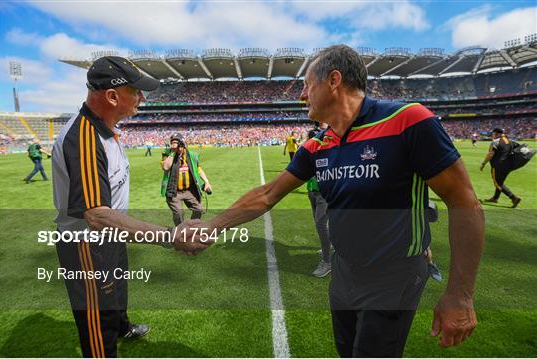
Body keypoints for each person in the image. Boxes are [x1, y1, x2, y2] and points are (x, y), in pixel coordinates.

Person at [182, 45, 484, 357]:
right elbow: (268, 194)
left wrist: (460, 295)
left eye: (306, 85)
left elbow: (465, 203)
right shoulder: (317, 145)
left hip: (394, 276)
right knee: (346, 351)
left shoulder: (408, 121)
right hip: (344, 272)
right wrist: (213, 226)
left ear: (334, 80)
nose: (302, 95)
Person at [51, 56, 212, 358]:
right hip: (88, 245)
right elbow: (96, 214)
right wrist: (168, 236)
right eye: (135, 91)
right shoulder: (84, 137)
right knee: (98, 319)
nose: (142, 97)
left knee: (117, 290)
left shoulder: (105, 128)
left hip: (110, 237)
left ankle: (121, 325)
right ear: (112, 96)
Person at [161, 133, 212, 226]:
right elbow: (165, 167)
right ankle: (180, 231)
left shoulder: (191, 155)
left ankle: (190, 227)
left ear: (183, 143)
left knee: (199, 210)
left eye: (177, 143)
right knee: (179, 214)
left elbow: (198, 169)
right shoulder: (168, 154)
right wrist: (173, 152)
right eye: (172, 143)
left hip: (189, 190)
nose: (175, 146)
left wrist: (206, 182)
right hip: (174, 192)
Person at [306, 127, 332, 278]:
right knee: (319, 222)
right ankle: (328, 247)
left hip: (324, 193)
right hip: (312, 190)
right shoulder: (309, 153)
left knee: (321, 224)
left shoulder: (329, 152)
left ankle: (327, 262)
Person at [480, 128, 521, 208]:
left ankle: (514, 198)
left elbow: (490, 154)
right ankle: (495, 198)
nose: (493, 135)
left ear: (497, 134)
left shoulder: (495, 142)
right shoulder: (510, 141)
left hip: (498, 165)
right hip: (508, 165)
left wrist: (483, 163)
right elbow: (518, 147)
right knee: (500, 181)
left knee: (497, 183)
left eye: (493, 134)